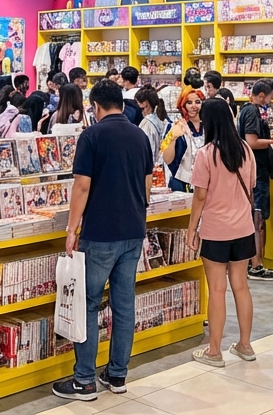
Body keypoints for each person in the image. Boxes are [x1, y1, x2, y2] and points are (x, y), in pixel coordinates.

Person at [54, 80, 154, 401]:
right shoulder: (140, 135)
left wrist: (71, 229)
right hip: (133, 230)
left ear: (95, 107)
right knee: (124, 305)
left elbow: (82, 186)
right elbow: (147, 187)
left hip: (100, 232)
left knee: (89, 303)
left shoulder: (92, 135)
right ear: (122, 105)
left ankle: (84, 379)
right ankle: (117, 374)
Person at [187, 99, 257, 367]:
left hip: (216, 229)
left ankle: (214, 350)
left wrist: (192, 229)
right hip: (243, 228)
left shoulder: (206, 154)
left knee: (216, 289)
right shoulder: (246, 150)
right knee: (241, 286)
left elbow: (200, 196)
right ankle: (245, 344)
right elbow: (250, 187)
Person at [237, 80, 273, 281]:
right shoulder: (252, 112)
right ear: (262, 95)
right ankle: (256, 264)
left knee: (254, 218)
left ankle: (253, 262)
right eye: (271, 97)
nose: (271, 102)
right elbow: (252, 142)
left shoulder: (247, 110)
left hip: (254, 171)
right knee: (257, 220)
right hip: (256, 173)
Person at [164, 88, 205, 192]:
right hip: (181, 183)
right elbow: (167, 159)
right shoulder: (174, 126)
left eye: (197, 102)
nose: (194, 106)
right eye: (189, 102)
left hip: (206, 181)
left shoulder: (209, 126)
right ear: (183, 105)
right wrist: (173, 138)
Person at [135, 85, 169, 164]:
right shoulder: (162, 118)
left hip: (150, 165)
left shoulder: (147, 123)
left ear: (145, 103)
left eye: (137, 102)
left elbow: (145, 148)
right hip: (161, 163)